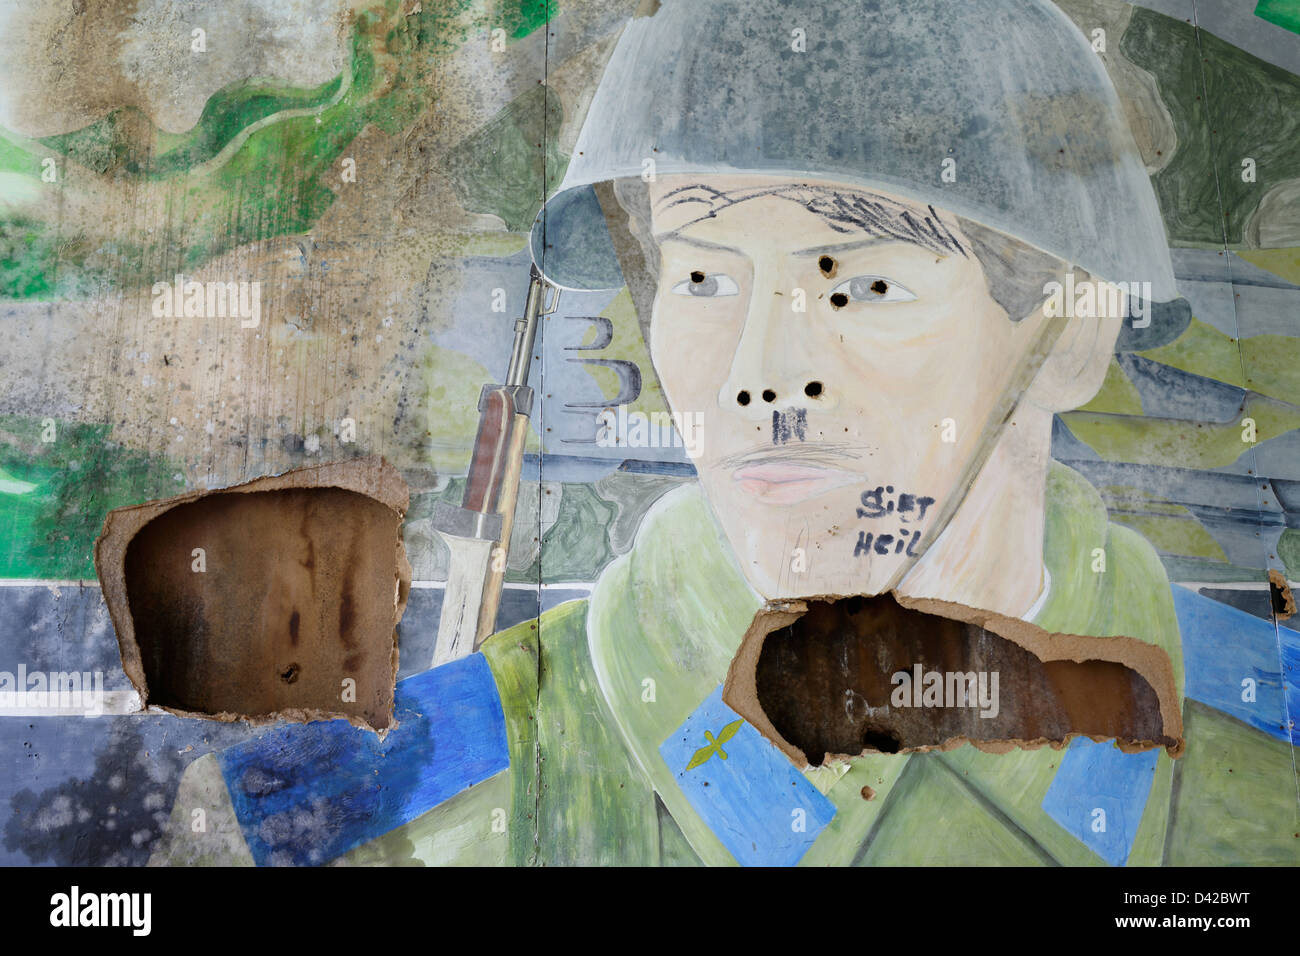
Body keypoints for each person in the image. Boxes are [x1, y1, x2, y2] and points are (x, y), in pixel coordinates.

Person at [157, 0, 1298, 867]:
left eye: (867, 285)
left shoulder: (1268, 747)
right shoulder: (377, 817)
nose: (762, 378)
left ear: (1068, 335)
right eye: (702, 276)